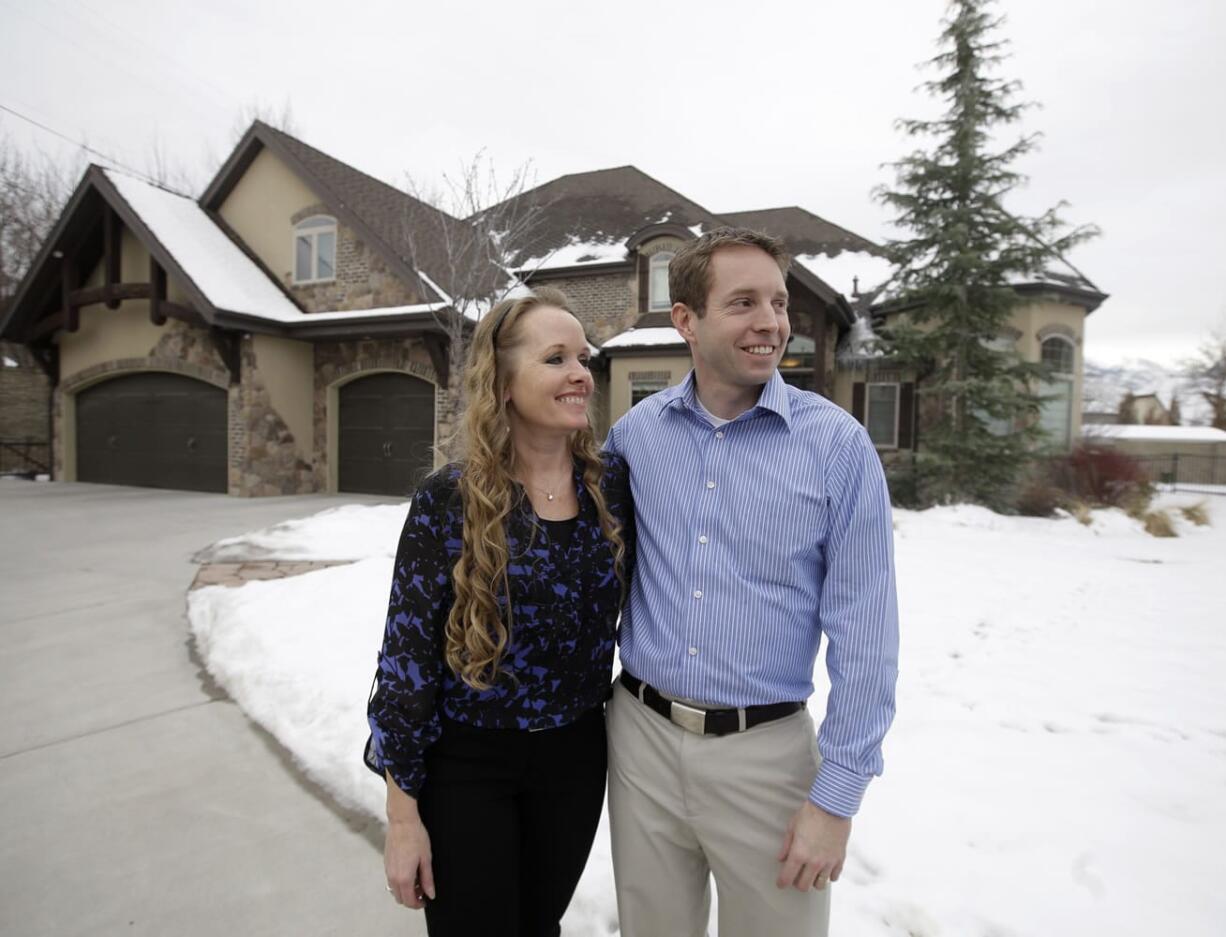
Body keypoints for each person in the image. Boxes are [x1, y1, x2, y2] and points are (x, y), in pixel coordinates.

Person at [604, 228, 899, 937]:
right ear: (686, 319)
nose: (770, 321)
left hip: (767, 759)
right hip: (639, 742)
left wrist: (836, 800)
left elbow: (867, 635)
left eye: (777, 302)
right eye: (742, 303)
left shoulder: (838, 448)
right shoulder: (636, 436)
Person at [363, 287, 632, 937]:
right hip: (468, 765)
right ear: (504, 382)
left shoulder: (612, 486)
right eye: (556, 358)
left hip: (574, 758)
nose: (579, 374)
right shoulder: (448, 500)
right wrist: (403, 818)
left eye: (584, 358)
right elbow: (407, 664)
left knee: (540, 925)